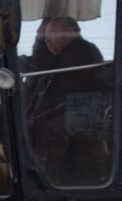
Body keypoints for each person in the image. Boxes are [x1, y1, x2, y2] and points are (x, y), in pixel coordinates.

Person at [26, 16, 110, 184]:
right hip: (69, 112)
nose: (48, 41)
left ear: (69, 32)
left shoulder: (82, 52)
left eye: (50, 36)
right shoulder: (70, 52)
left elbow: (50, 67)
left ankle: (49, 179)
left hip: (80, 116)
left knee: (43, 128)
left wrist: (37, 48)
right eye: (46, 38)